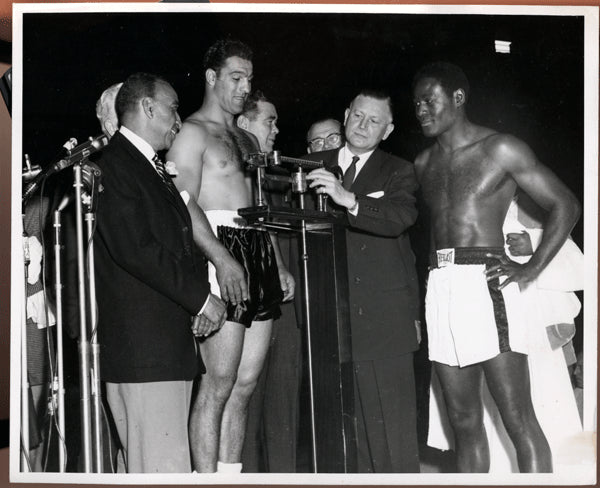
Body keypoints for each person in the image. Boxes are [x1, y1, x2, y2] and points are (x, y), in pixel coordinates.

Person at [412, 61, 581, 473]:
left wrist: (530, 269)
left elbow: (566, 205)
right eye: (416, 104)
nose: (421, 112)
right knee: (463, 422)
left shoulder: (500, 149)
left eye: (429, 101)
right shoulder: (422, 164)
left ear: (458, 98)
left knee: (517, 417)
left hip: (487, 284)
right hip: (442, 286)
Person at [166, 39, 294, 474]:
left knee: (244, 385)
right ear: (212, 77)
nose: (244, 87)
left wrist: (276, 261)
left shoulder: (242, 135)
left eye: (249, 79)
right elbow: (182, 201)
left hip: (256, 247)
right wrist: (221, 259)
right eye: (236, 77)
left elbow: (255, 203)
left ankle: (230, 478)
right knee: (217, 384)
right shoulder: (192, 132)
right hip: (220, 249)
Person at [94, 72, 226, 473]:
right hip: (146, 353)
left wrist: (193, 305)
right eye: (172, 108)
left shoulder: (144, 166)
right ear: (147, 107)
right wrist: (202, 298)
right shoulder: (118, 165)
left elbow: (173, 245)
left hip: (161, 349)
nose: (178, 119)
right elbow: (137, 249)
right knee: (162, 471)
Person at [304, 89, 421, 473]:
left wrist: (349, 199)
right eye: (357, 116)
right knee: (338, 434)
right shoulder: (310, 164)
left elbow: (400, 217)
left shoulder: (399, 169)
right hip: (326, 320)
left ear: (387, 130)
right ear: (345, 114)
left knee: (392, 437)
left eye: (374, 121)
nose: (363, 126)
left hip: (384, 321)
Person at [236, 91, 300, 473]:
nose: (276, 129)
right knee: (243, 399)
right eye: (269, 120)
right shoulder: (229, 166)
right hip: (244, 297)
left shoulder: (275, 174)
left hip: (281, 305)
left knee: (281, 404)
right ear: (244, 123)